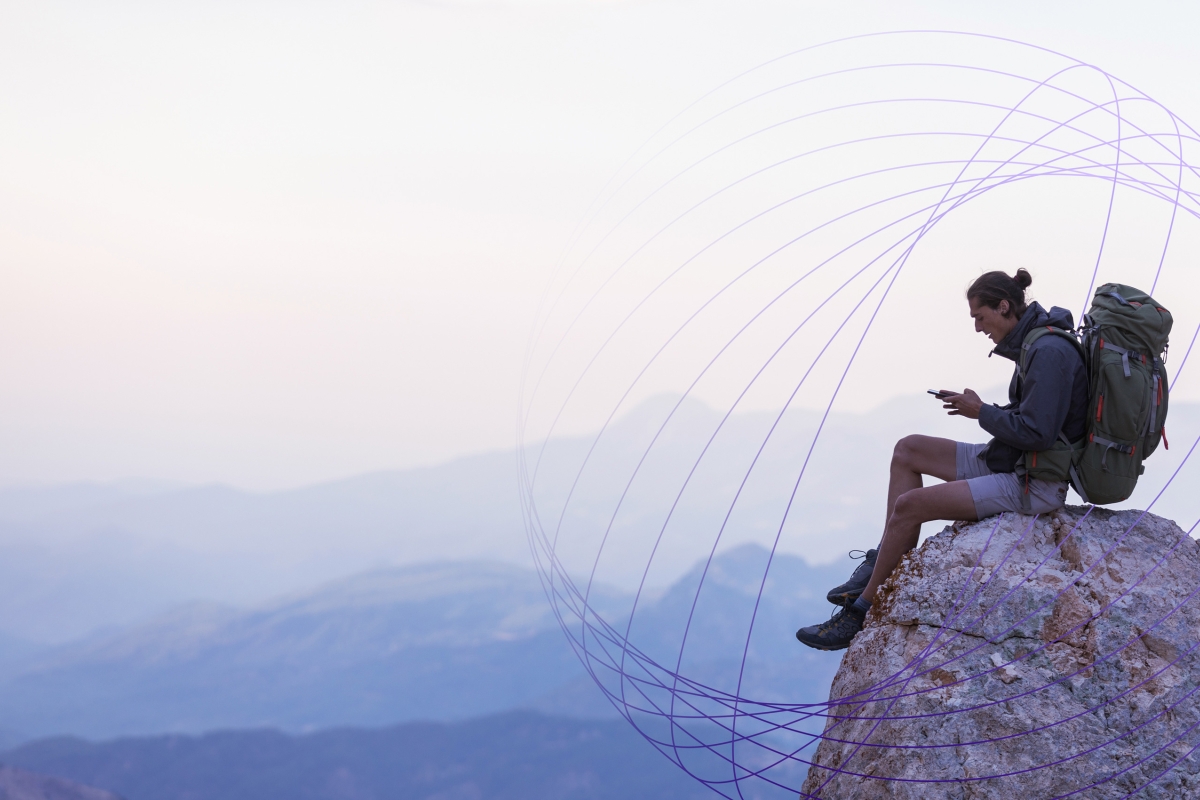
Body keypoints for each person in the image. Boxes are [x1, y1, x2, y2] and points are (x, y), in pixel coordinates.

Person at [795, 268, 1089, 650]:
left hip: (1034, 482)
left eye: (980, 317)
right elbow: (1036, 420)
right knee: (908, 449)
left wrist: (980, 410)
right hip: (1015, 460)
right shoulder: (1036, 343)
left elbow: (1038, 432)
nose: (978, 328)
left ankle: (860, 610)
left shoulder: (1048, 352)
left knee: (910, 506)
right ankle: (882, 558)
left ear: (1003, 307)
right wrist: (983, 409)